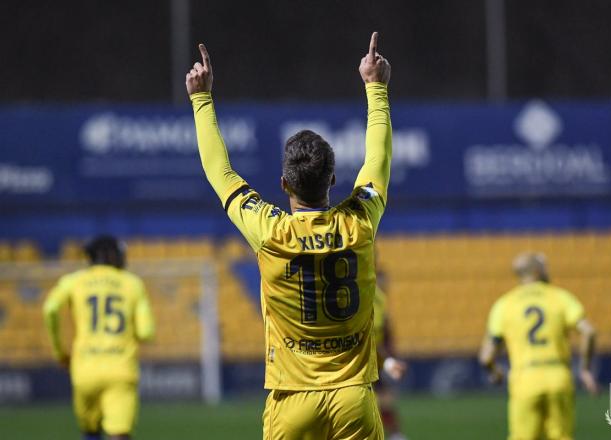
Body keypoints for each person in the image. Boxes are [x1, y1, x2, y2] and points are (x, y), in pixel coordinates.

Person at [187, 32, 391, 439]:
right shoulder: (360, 220)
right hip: (353, 399)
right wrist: (376, 88)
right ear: (333, 179)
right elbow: (378, 158)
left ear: (283, 183)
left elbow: (219, 173)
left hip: (292, 398)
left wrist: (201, 99)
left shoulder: (270, 230)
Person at [43, 236, 155, 440]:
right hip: (120, 367)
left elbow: (50, 309)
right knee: (119, 433)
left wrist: (59, 351)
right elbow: (146, 332)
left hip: (84, 368)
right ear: (113, 255)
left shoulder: (74, 281)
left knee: (90, 430)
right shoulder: (132, 283)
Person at [479, 252, 598, 440]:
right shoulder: (560, 297)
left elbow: (486, 356)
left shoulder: (504, 304)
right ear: (537, 270)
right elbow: (589, 332)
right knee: (561, 436)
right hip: (558, 374)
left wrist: (495, 372)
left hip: (524, 378)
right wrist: (584, 369)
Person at [373, 277, 407, 440]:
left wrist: (389, 357)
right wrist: (389, 360)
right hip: (365, 360)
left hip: (375, 360)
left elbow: (386, 333)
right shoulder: (371, 298)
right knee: (383, 400)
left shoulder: (381, 300)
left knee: (385, 399)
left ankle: (396, 435)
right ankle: (396, 435)